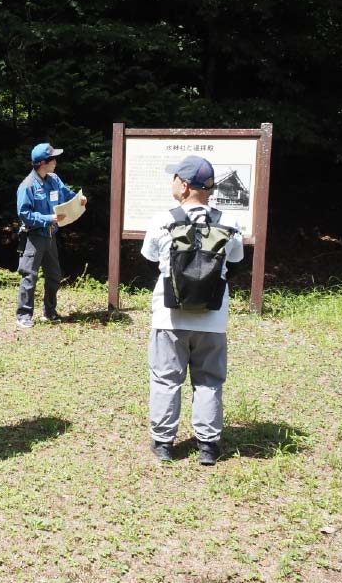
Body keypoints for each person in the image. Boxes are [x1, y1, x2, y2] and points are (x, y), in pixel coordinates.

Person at [140, 155, 244, 466]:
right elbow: (236, 263)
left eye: (175, 178)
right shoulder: (230, 222)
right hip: (213, 318)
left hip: (169, 315)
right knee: (209, 379)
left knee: (165, 378)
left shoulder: (162, 219)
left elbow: (149, 260)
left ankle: (163, 444)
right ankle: (208, 446)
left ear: (184, 186)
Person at [15, 141, 87, 328]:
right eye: (53, 158)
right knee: (29, 276)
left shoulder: (54, 179)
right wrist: (49, 218)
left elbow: (67, 194)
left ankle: (50, 311)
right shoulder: (27, 186)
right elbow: (25, 214)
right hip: (33, 237)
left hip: (50, 237)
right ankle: (24, 315)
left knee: (54, 276)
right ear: (43, 162)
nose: (56, 161)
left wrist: (79, 199)